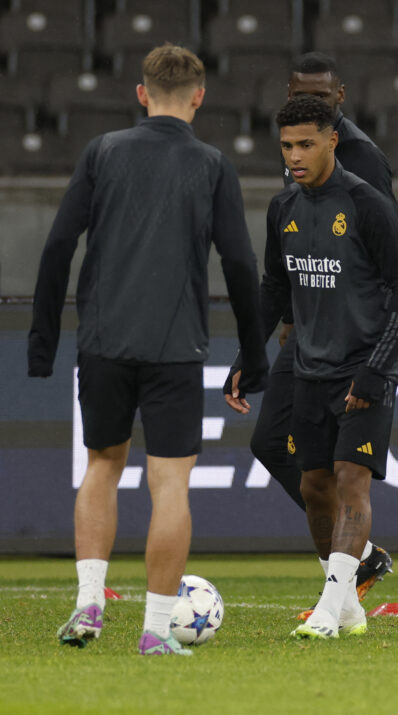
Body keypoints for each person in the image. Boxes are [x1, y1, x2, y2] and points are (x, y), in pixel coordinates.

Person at [27, 43, 268, 656]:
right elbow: (240, 263)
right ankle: (157, 632)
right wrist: (253, 354)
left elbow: (58, 247)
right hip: (176, 346)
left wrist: (43, 342)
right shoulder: (212, 164)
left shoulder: (102, 152)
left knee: (102, 467)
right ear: (199, 96)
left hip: (105, 341)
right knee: (170, 486)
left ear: (141, 94)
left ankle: (89, 600)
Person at [227, 95, 398, 639]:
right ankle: (351, 610)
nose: (295, 155)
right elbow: (273, 287)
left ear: (333, 140)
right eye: (287, 146)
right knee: (314, 486)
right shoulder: (282, 208)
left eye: (306, 144)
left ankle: (328, 612)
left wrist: (377, 369)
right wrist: (249, 352)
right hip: (309, 368)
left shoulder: (366, 204)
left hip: (363, 369)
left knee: (351, 482)